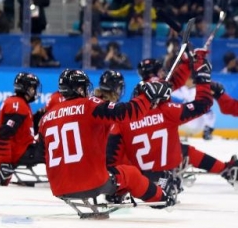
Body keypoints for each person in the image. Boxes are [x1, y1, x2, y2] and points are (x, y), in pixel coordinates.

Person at [37, 69, 176, 208]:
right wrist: (147, 97)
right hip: (91, 183)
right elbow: (127, 112)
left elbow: (43, 154)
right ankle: (162, 198)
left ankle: (117, 192)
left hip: (58, 187)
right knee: (131, 174)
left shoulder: (46, 118)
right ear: (80, 89)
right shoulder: (89, 105)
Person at [107, 57, 232, 188]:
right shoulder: (166, 107)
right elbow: (201, 102)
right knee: (184, 150)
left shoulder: (125, 116)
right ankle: (224, 169)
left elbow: (112, 156)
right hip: (165, 171)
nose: (163, 73)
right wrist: (198, 72)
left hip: (138, 175)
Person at [0, 72, 44, 186]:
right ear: (28, 89)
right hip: (22, 152)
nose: (35, 91)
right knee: (55, 148)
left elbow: (23, 132)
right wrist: (5, 164)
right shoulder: (17, 105)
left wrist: (38, 116)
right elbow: (3, 135)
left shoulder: (18, 103)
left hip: (21, 150)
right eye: (33, 88)